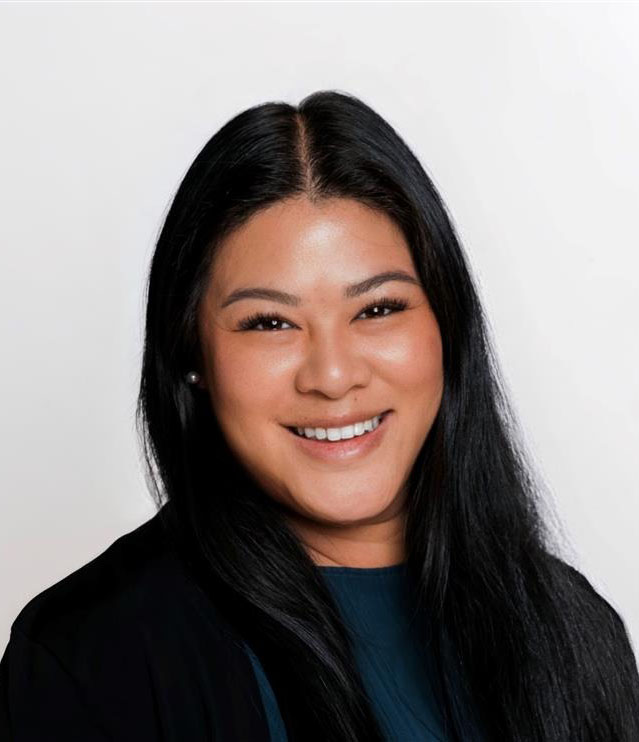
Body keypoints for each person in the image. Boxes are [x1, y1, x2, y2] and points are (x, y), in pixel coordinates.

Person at [1, 90, 637, 742]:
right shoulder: (91, 656)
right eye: (269, 322)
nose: (332, 377)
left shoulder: (574, 631)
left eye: (378, 309)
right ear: (192, 354)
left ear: (446, 325)